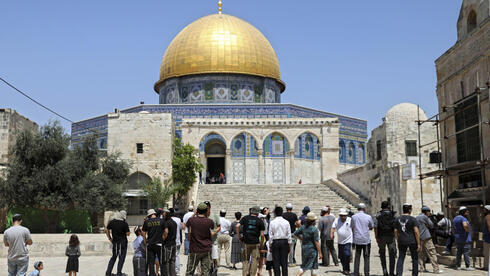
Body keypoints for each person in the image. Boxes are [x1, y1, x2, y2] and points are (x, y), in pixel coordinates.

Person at [185, 202, 219, 276]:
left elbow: (186, 226)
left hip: (194, 249)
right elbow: (212, 227)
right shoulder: (209, 221)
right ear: (206, 211)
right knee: (205, 272)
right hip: (206, 249)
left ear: (197, 210)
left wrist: (194, 214)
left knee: (190, 271)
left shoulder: (191, 220)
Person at [237, 205, 265, 276]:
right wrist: (261, 244)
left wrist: (239, 236)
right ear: (258, 213)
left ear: (251, 211)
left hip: (246, 242)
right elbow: (262, 235)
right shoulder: (260, 221)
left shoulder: (245, 218)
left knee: (245, 260)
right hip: (255, 243)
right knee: (254, 260)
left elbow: (237, 226)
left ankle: (244, 274)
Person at [394, 203, 421, 276]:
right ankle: (414, 274)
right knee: (415, 258)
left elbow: (395, 231)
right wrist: (418, 244)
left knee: (401, 257)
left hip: (401, 240)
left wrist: (397, 239)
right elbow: (416, 232)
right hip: (412, 241)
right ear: (409, 210)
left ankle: (399, 274)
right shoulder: (413, 219)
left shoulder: (397, 219)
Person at [415, 206, 441, 273]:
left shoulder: (416, 217)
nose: (429, 213)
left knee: (421, 254)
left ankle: (422, 268)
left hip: (419, 238)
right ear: (426, 212)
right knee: (432, 253)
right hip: (426, 237)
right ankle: (436, 269)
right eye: (429, 211)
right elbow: (431, 225)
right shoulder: (425, 217)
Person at [374, 201, 396, 276]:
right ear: (388, 206)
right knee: (392, 254)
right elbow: (395, 227)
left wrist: (376, 236)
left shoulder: (378, 214)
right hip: (391, 236)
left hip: (381, 236)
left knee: (382, 254)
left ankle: (385, 271)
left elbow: (375, 227)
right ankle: (392, 272)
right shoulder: (392, 214)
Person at [351, 203, 374, 276]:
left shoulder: (354, 217)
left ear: (357, 209)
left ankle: (356, 272)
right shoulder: (368, 217)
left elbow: (352, 227)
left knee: (357, 256)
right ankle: (366, 273)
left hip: (357, 239)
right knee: (366, 257)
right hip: (365, 239)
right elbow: (371, 226)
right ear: (364, 209)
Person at [105, 210, 130, 276]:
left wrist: (110, 238)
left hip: (115, 243)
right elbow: (128, 234)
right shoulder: (124, 223)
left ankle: (108, 272)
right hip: (123, 243)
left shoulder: (112, 222)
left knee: (113, 257)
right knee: (121, 258)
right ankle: (119, 273)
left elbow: (107, 230)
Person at [269, 206, 291, 276]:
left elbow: (270, 235)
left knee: (276, 262)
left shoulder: (272, 222)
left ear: (275, 213)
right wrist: (289, 245)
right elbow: (289, 235)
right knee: (284, 262)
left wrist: (270, 244)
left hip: (275, 242)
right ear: (282, 213)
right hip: (284, 242)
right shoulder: (286, 222)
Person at [142, 209, 164, 276]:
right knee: (161, 262)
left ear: (149, 215)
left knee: (151, 263)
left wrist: (145, 242)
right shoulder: (161, 220)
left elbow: (143, 233)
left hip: (150, 244)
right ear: (154, 213)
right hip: (159, 244)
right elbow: (165, 231)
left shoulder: (147, 222)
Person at [331, 208, 353, 275]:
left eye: (344, 215)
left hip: (348, 240)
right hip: (340, 241)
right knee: (341, 256)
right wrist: (331, 234)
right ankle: (344, 268)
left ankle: (347, 269)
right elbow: (333, 227)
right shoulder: (336, 220)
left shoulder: (350, 220)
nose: (343, 217)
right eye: (341, 215)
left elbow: (354, 228)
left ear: (346, 215)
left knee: (347, 254)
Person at [453, 206, 475, 271]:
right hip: (465, 239)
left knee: (459, 253)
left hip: (458, 238)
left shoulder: (455, 219)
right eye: (466, 211)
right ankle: (467, 266)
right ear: (463, 212)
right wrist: (467, 230)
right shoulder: (463, 219)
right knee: (466, 253)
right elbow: (465, 225)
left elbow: (453, 229)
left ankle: (458, 266)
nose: (467, 213)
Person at [162, 209, 178, 276]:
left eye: (163, 215)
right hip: (174, 244)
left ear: (166, 215)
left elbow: (166, 232)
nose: (163, 216)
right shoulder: (174, 222)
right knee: (172, 261)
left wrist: (163, 238)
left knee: (167, 261)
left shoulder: (166, 223)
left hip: (168, 245)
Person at [170, 208, 185, 276]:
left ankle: (170, 270)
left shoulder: (167, 220)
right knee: (177, 256)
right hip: (178, 240)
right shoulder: (178, 219)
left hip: (170, 242)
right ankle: (177, 271)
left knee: (169, 256)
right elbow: (182, 228)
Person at [484, 205, 490, 271]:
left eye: (485, 209)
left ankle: (486, 267)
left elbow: (489, 226)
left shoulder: (487, 217)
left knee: (487, 253)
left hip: (488, 239)